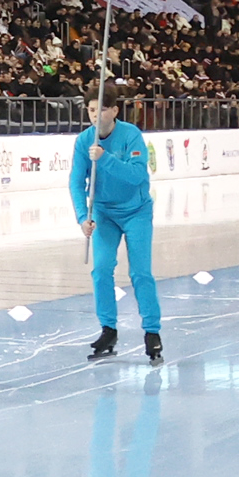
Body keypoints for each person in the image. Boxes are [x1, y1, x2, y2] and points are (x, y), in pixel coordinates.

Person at [73, 84, 162, 363]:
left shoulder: (132, 136)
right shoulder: (83, 141)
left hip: (136, 211)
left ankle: (151, 331)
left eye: (100, 109)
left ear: (114, 110)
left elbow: (135, 176)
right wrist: (82, 216)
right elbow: (76, 182)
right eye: (90, 110)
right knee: (101, 270)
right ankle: (108, 329)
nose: (95, 115)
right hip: (103, 213)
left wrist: (106, 159)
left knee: (140, 273)